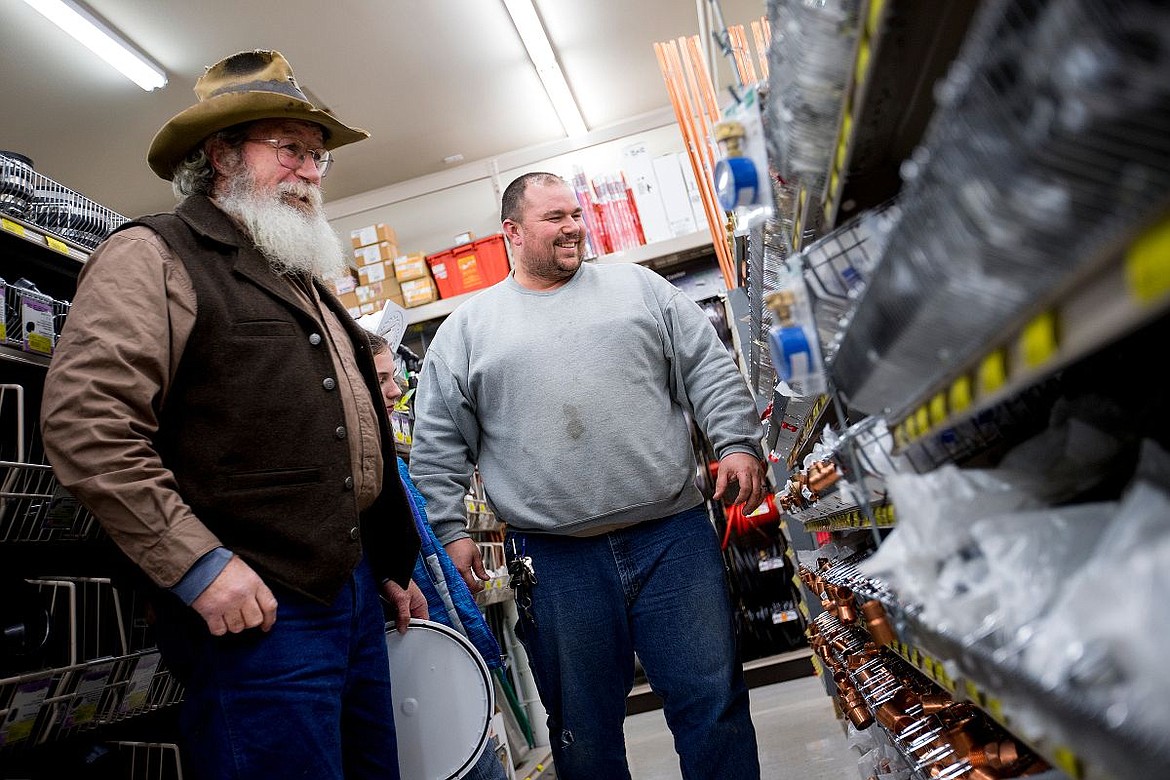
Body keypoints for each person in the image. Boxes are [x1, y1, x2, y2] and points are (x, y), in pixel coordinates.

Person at [39, 50, 426, 780]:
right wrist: (198, 565)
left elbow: (348, 431)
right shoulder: (154, 255)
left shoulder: (299, 275)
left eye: (318, 158)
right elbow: (87, 425)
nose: (312, 172)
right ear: (220, 156)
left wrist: (385, 559)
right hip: (254, 609)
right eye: (292, 151)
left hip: (346, 595)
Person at [408, 171, 769, 779]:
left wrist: (736, 441)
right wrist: (450, 530)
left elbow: (706, 367)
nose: (573, 226)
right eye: (555, 218)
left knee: (713, 704)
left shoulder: (639, 289)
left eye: (576, 214)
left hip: (672, 538)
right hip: (555, 561)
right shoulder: (468, 332)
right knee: (583, 730)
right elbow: (438, 443)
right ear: (513, 233)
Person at [366, 329, 511, 780]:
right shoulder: (370, 465)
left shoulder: (388, 458)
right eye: (383, 379)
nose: (397, 390)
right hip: (409, 651)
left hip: (432, 644)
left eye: (395, 377)